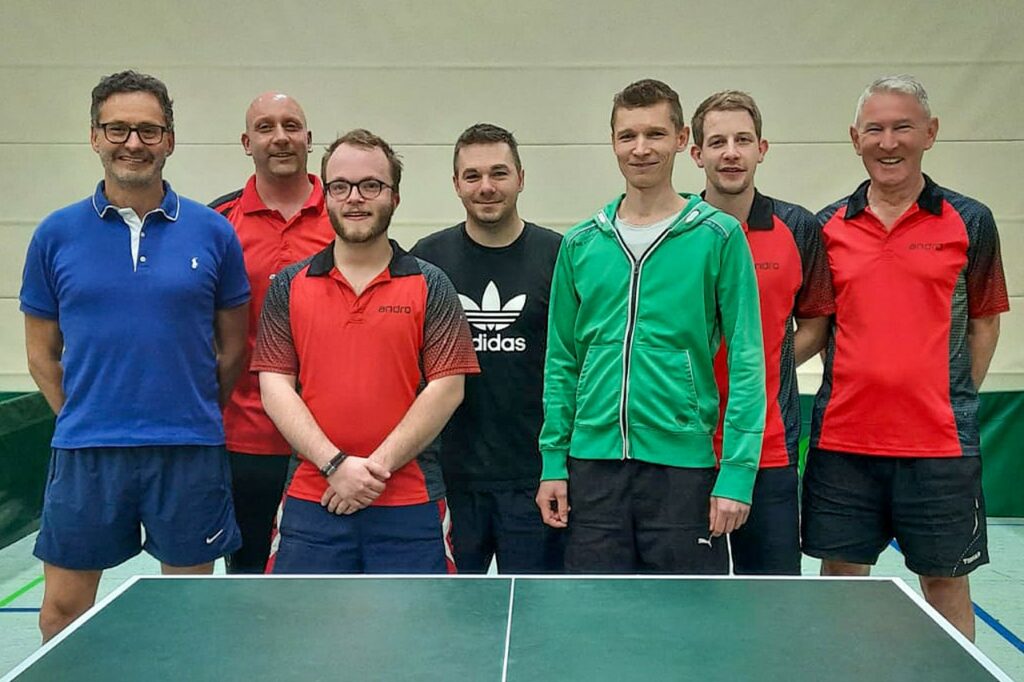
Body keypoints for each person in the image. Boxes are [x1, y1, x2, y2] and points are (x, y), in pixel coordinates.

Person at [20, 70, 250, 640]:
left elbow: (235, 347)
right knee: (63, 613)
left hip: (188, 450)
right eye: (117, 129)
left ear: (169, 140)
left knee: (186, 614)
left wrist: (192, 408)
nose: (133, 143)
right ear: (94, 137)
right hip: (87, 453)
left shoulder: (212, 232)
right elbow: (41, 353)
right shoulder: (55, 234)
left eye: (149, 130)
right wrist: (83, 415)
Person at [804, 75, 1008, 640]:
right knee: (841, 578)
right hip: (843, 444)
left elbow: (986, 321)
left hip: (940, 446)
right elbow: (817, 326)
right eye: (875, 129)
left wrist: (949, 398)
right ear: (855, 138)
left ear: (930, 133)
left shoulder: (971, 221)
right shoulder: (826, 227)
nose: (888, 142)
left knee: (944, 584)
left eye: (902, 127)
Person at [536, 79, 766, 574]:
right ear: (613, 142)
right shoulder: (580, 244)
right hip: (592, 469)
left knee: (685, 627)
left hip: (683, 471)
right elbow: (561, 362)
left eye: (655, 135)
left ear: (683, 140)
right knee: (597, 622)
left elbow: (748, 362)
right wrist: (554, 462)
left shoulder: (717, 237)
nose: (641, 149)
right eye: (628, 136)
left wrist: (737, 474)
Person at [252, 129, 480, 574]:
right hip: (310, 500)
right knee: (300, 635)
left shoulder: (431, 284)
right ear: (326, 197)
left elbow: (447, 389)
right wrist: (334, 465)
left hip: (410, 501)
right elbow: (275, 387)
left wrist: (370, 473)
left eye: (371, 185)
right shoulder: (288, 286)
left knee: (421, 641)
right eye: (341, 186)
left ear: (394, 197)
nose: (355, 198)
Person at [689, 91, 834, 575]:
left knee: (770, 599)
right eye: (717, 142)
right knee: (690, 599)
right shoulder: (677, 228)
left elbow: (815, 323)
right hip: (685, 447)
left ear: (761, 148)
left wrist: (759, 365)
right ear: (696, 154)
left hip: (770, 445)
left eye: (742, 140)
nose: (731, 152)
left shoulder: (797, 227)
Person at [411, 123, 564, 573]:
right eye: (473, 176)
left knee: (537, 619)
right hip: (450, 480)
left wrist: (562, 467)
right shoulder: (426, 260)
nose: (487, 187)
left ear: (520, 176)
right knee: (450, 622)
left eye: (499, 173)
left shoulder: (558, 255)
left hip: (534, 479)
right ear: (456, 184)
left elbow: (576, 367)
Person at [208, 93, 334, 574]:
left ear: (308, 138)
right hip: (245, 443)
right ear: (246, 142)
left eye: (291, 125)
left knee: (329, 587)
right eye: (265, 127)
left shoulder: (347, 216)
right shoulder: (217, 223)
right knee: (251, 585)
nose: (279, 137)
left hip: (331, 443)